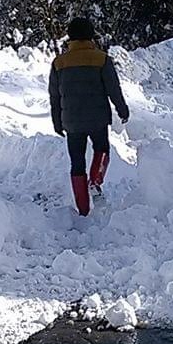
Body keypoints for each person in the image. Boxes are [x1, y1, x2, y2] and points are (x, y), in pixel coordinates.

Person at [48, 17, 130, 216]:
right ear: (91, 36)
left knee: (77, 163)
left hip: (71, 121)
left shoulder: (59, 63)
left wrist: (57, 122)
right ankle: (95, 180)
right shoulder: (101, 59)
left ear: (70, 37)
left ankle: (83, 210)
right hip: (98, 118)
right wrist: (122, 109)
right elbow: (113, 89)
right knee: (102, 149)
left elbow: (54, 96)